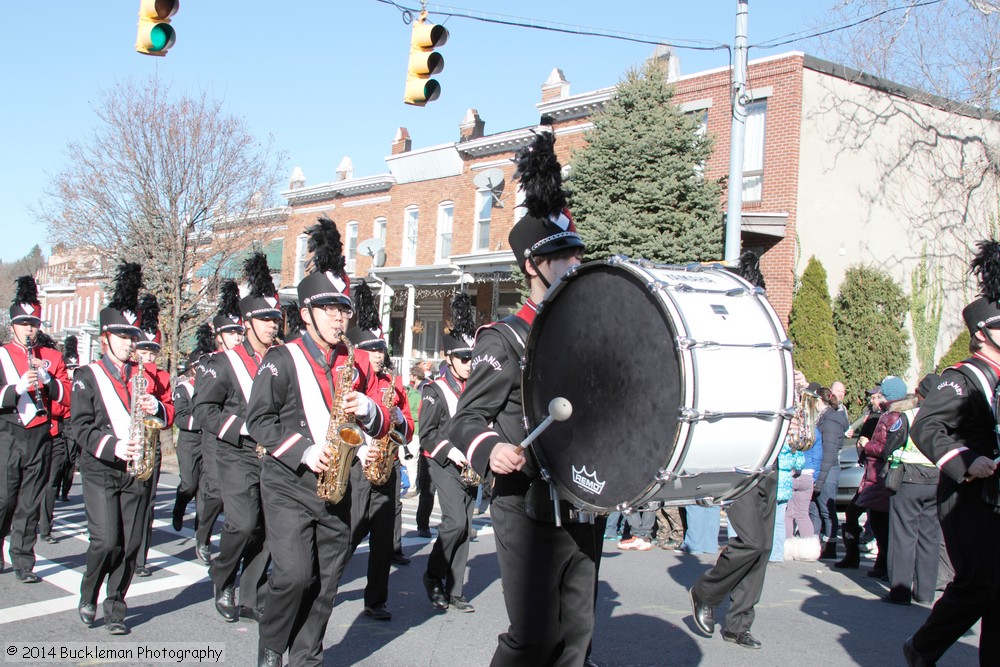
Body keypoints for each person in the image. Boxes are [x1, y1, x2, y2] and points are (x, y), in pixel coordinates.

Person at [449, 122, 602, 665]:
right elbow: (465, 421)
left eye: (578, 254)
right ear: (533, 264)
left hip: (583, 500)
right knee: (534, 636)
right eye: (565, 256)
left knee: (578, 637)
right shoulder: (504, 337)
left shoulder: (586, 336)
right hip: (526, 504)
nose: (576, 264)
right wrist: (493, 449)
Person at [246, 217, 389, 667]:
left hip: (340, 485)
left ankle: (307, 655)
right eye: (328, 309)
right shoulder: (281, 358)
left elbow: (391, 417)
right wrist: (305, 449)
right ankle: (272, 643)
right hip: (290, 482)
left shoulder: (358, 361)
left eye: (343, 309)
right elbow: (259, 421)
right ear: (306, 313)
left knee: (326, 581)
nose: (338, 317)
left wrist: (372, 413)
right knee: (292, 575)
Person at [903, 240, 1000, 666]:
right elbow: (926, 425)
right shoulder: (961, 378)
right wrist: (966, 461)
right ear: (982, 333)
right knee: (979, 583)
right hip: (970, 496)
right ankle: (922, 647)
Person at [688, 258, 787, 651]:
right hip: (741, 450)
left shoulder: (769, 336)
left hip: (771, 447)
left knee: (762, 548)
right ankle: (705, 593)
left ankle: (739, 622)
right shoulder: (724, 338)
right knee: (749, 542)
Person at [73, 263, 173, 634]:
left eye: (134, 336)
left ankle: (116, 605)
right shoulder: (87, 376)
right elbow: (80, 427)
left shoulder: (143, 377)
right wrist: (115, 446)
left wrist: (157, 409)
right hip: (101, 469)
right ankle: (89, 593)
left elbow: (168, 414)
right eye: (123, 336)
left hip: (136, 472)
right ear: (105, 339)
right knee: (105, 541)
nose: (132, 342)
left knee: (130, 544)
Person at [196, 253, 281, 623]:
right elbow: (204, 411)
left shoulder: (280, 360)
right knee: (243, 523)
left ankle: (253, 594)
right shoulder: (223, 363)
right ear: (247, 322)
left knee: (266, 527)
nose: (272, 325)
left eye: (276, 319)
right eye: (264, 319)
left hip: (272, 453)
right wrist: (245, 426)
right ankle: (223, 576)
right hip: (236, 451)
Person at [345, 280, 415, 621]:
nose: (378, 355)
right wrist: (363, 450)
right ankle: (323, 584)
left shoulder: (394, 383)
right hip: (357, 468)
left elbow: (410, 429)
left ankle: (376, 599)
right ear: (358, 351)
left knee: (383, 538)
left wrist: (400, 419)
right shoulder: (349, 380)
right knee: (349, 532)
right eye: (370, 350)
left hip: (387, 467)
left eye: (380, 350)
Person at [0, 276, 71, 581]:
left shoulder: (51, 358)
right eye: (23, 323)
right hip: (8, 432)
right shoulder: (2, 354)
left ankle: (23, 560)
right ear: (13, 324)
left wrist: (49, 383)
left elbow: (69, 397)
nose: (29, 329)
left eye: (34, 323)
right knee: (4, 498)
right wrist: (15, 388)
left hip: (42, 433)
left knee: (30, 502)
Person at [419, 293, 478, 612]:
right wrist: (454, 453)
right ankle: (432, 576)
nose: (470, 363)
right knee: (454, 522)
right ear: (450, 358)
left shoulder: (476, 389)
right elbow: (427, 435)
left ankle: (455, 590)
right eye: (464, 358)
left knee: (466, 527)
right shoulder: (435, 390)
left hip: (472, 466)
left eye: (473, 358)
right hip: (444, 463)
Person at [193, 281, 244, 565]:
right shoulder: (209, 362)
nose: (237, 337)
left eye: (239, 331)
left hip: (241, 436)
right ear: (219, 336)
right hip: (215, 433)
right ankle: (202, 534)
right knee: (214, 490)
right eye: (231, 332)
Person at [884, 372, 940, 606]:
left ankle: (900, 591)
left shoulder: (908, 416)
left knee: (904, 535)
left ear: (919, 394)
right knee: (930, 537)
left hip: (909, 478)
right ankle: (925, 592)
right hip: (937, 479)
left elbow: (892, 444)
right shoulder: (948, 417)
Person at [133, 293, 173, 578]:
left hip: (151, 443)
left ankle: (140, 557)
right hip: (128, 442)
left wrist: (157, 404)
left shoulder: (163, 376)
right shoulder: (127, 371)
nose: (148, 359)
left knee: (147, 501)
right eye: (143, 352)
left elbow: (169, 411)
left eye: (152, 354)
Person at [855, 375, 909, 579]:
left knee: (880, 522)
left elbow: (886, 447)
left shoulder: (892, 416)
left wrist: (866, 445)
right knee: (880, 521)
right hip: (880, 473)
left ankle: (886, 565)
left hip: (881, 473)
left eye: (881, 393)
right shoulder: (896, 415)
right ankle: (883, 564)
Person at [836, 383, 886, 569]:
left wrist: (865, 448)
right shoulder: (873, 418)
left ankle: (875, 561)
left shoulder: (879, 419)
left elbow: (865, 447)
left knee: (875, 518)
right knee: (857, 513)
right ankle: (855, 556)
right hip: (871, 473)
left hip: (876, 476)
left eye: (874, 397)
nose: (871, 400)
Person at [170, 327, 213, 534]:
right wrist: (204, 420)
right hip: (189, 441)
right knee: (189, 484)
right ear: (194, 369)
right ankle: (179, 508)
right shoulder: (184, 389)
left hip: (208, 441)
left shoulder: (212, 389)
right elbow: (180, 417)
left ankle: (201, 535)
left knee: (205, 490)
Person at [34, 332, 69, 546]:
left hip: (54, 431)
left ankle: (45, 527)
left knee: (51, 483)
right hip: (22, 432)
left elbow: (65, 402)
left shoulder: (54, 358)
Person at [812, 386, 849, 559]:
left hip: (828, 470)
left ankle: (830, 545)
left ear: (820, 401)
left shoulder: (830, 422)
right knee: (818, 508)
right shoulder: (825, 418)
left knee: (827, 509)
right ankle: (818, 542)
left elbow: (828, 454)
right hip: (825, 468)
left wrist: (819, 481)